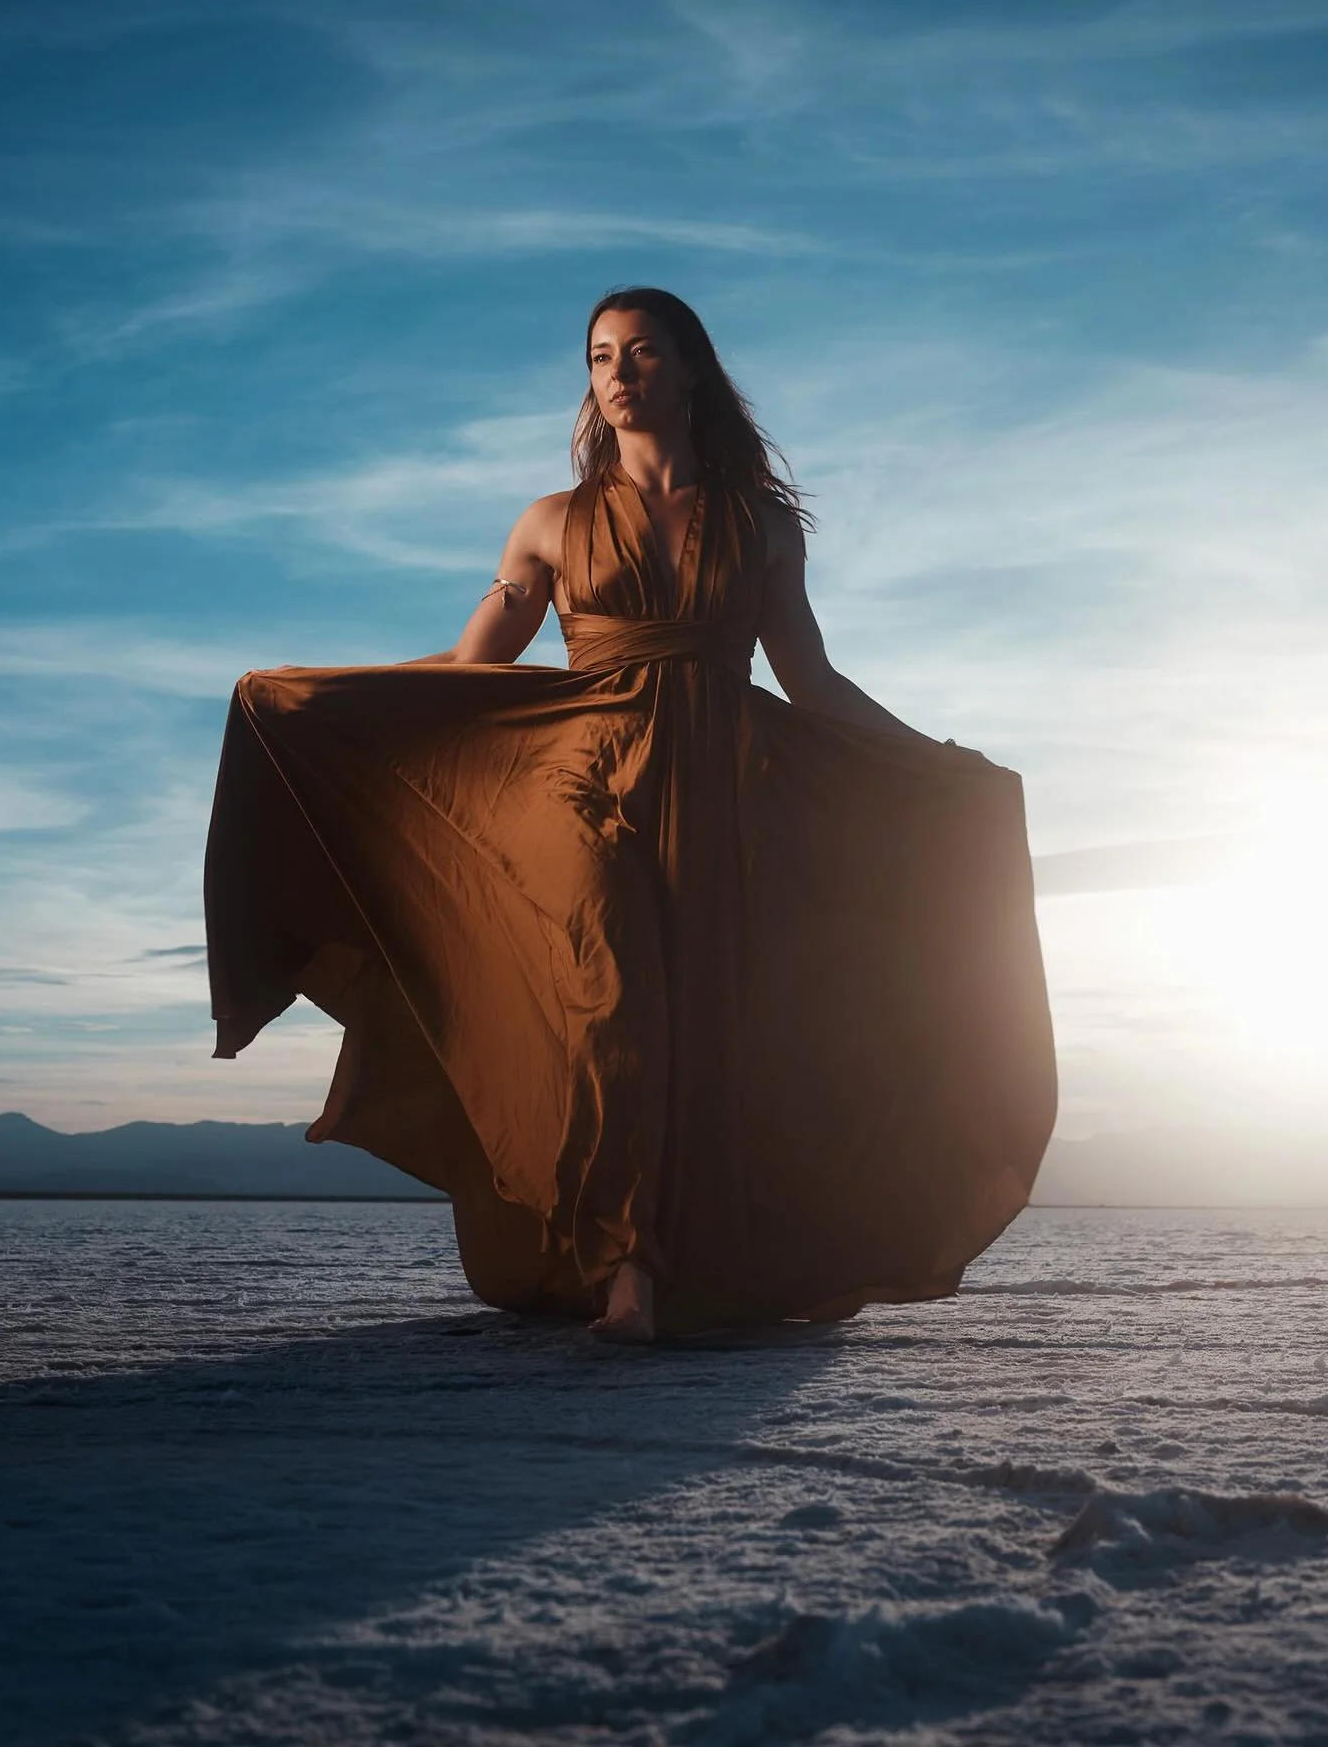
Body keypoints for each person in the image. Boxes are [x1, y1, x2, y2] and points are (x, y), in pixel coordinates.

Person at [205, 287, 1056, 1343]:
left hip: (724, 794)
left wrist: (932, 759)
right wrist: (320, 700)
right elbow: (474, 671)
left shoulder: (761, 528)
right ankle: (626, 1275)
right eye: (601, 356)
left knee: (729, 1026)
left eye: (643, 352)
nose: (618, 372)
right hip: (583, 783)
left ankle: (747, 1257)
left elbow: (815, 684)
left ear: (691, 368)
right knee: (611, 1006)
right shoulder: (551, 524)